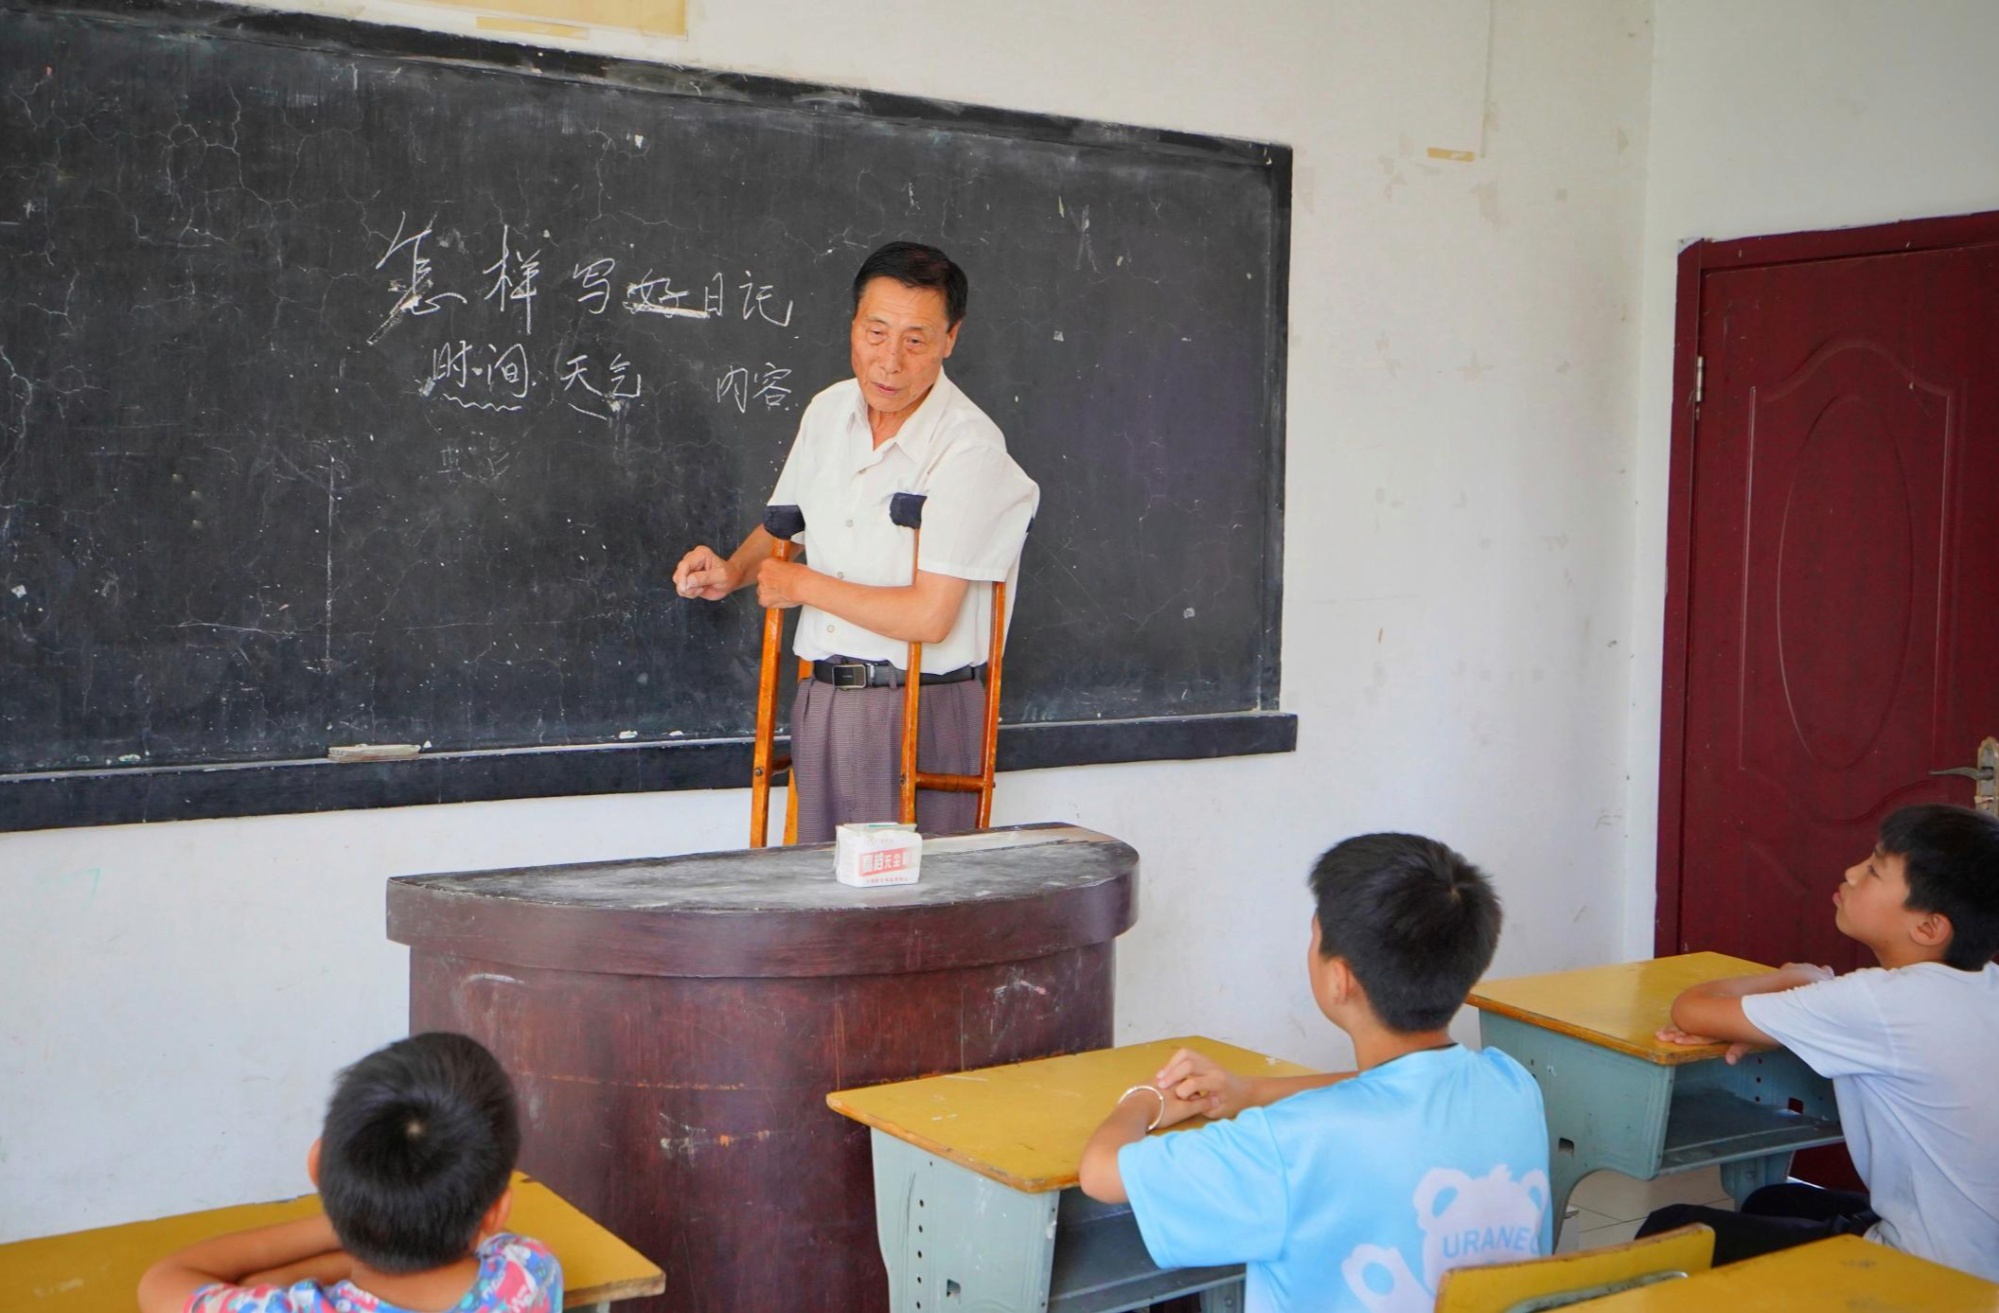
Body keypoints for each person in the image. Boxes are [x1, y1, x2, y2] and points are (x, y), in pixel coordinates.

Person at [1077, 833, 1550, 1313]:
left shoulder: (1289, 1144)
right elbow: (1404, 1092)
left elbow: (1101, 1174)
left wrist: (1145, 1099)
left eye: (1314, 934)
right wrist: (1251, 1091)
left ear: (1339, 979)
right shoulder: (1512, 1087)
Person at [673, 241, 1038, 843]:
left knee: (913, 897)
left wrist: (802, 585)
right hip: (823, 699)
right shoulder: (828, 412)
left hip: (920, 704)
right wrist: (734, 572)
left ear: (951, 339)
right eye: (876, 333)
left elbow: (929, 616)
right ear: (853, 326)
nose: (889, 361)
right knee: (818, 892)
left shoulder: (969, 447)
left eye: (915, 340)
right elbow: (789, 526)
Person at [1637, 803, 1999, 1278]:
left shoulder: (1878, 1003)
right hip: (1981, 1256)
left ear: (1928, 927)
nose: (1851, 873)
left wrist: (1791, 979)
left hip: (1931, 1275)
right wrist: (1781, 1026)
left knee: (1669, 1230)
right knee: (1773, 1200)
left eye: (1874, 870)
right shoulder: (1984, 984)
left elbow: (1691, 1008)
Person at [137, 1032, 560, 1313]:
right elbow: (482, 1238)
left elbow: (162, 1281)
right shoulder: (529, 1272)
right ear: (497, 1210)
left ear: (316, 1166)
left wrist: (280, 1277)